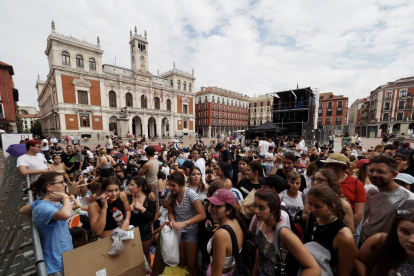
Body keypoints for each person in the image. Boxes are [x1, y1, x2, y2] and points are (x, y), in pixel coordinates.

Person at [253, 189, 321, 276]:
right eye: (255, 206)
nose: (256, 211)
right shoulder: (262, 222)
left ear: (273, 210)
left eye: (261, 208)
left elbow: (314, 269)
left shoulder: (283, 233)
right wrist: (255, 271)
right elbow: (260, 248)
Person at [20, 172, 73, 275]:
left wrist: (34, 203)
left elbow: (22, 210)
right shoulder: (43, 207)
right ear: (49, 187)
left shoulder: (45, 202)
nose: (65, 185)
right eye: (62, 182)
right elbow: (66, 214)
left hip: (64, 255)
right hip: (55, 264)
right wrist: (65, 198)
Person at [360, 155, 414, 245]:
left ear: (394, 174)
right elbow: (369, 213)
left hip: (387, 244)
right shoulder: (369, 190)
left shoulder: (409, 199)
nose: (374, 175)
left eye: (380, 172)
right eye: (371, 170)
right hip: (364, 238)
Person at [304, 185, 357, 275]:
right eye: (310, 204)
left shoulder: (344, 235)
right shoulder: (312, 217)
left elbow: (343, 273)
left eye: (318, 206)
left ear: (331, 207)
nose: (312, 209)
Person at [167, 171, 206, 276]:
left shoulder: (190, 194)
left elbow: (202, 214)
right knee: (181, 261)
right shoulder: (170, 195)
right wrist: (172, 220)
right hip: (178, 231)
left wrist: (184, 223)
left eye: (173, 185)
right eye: (169, 185)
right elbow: (170, 212)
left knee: (192, 263)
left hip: (190, 232)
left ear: (181, 184)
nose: (170, 188)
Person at [356, 209, 414, 276]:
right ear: (395, 229)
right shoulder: (379, 242)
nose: (412, 240)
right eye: (405, 232)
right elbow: (360, 260)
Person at [205, 189, 246, 276]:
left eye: (218, 206)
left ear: (229, 210)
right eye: (212, 204)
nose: (213, 209)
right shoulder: (236, 221)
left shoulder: (220, 234)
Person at [321, 153, 365, 230]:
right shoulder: (322, 181)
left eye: (329, 165)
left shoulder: (356, 184)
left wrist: (344, 229)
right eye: (325, 165)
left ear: (339, 166)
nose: (325, 168)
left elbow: (359, 213)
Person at [128, 176, 156, 265]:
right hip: (131, 231)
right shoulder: (128, 198)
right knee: (132, 254)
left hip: (145, 230)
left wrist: (142, 208)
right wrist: (128, 209)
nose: (129, 187)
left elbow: (152, 217)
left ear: (139, 188)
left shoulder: (150, 198)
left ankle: (147, 273)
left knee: (146, 253)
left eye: (132, 185)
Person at [138, 146, 160, 210]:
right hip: (155, 181)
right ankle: (156, 212)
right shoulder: (156, 160)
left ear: (146, 154)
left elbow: (139, 175)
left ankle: (153, 214)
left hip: (150, 183)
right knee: (156, 199)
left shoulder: (148, 164)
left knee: (151, 200)